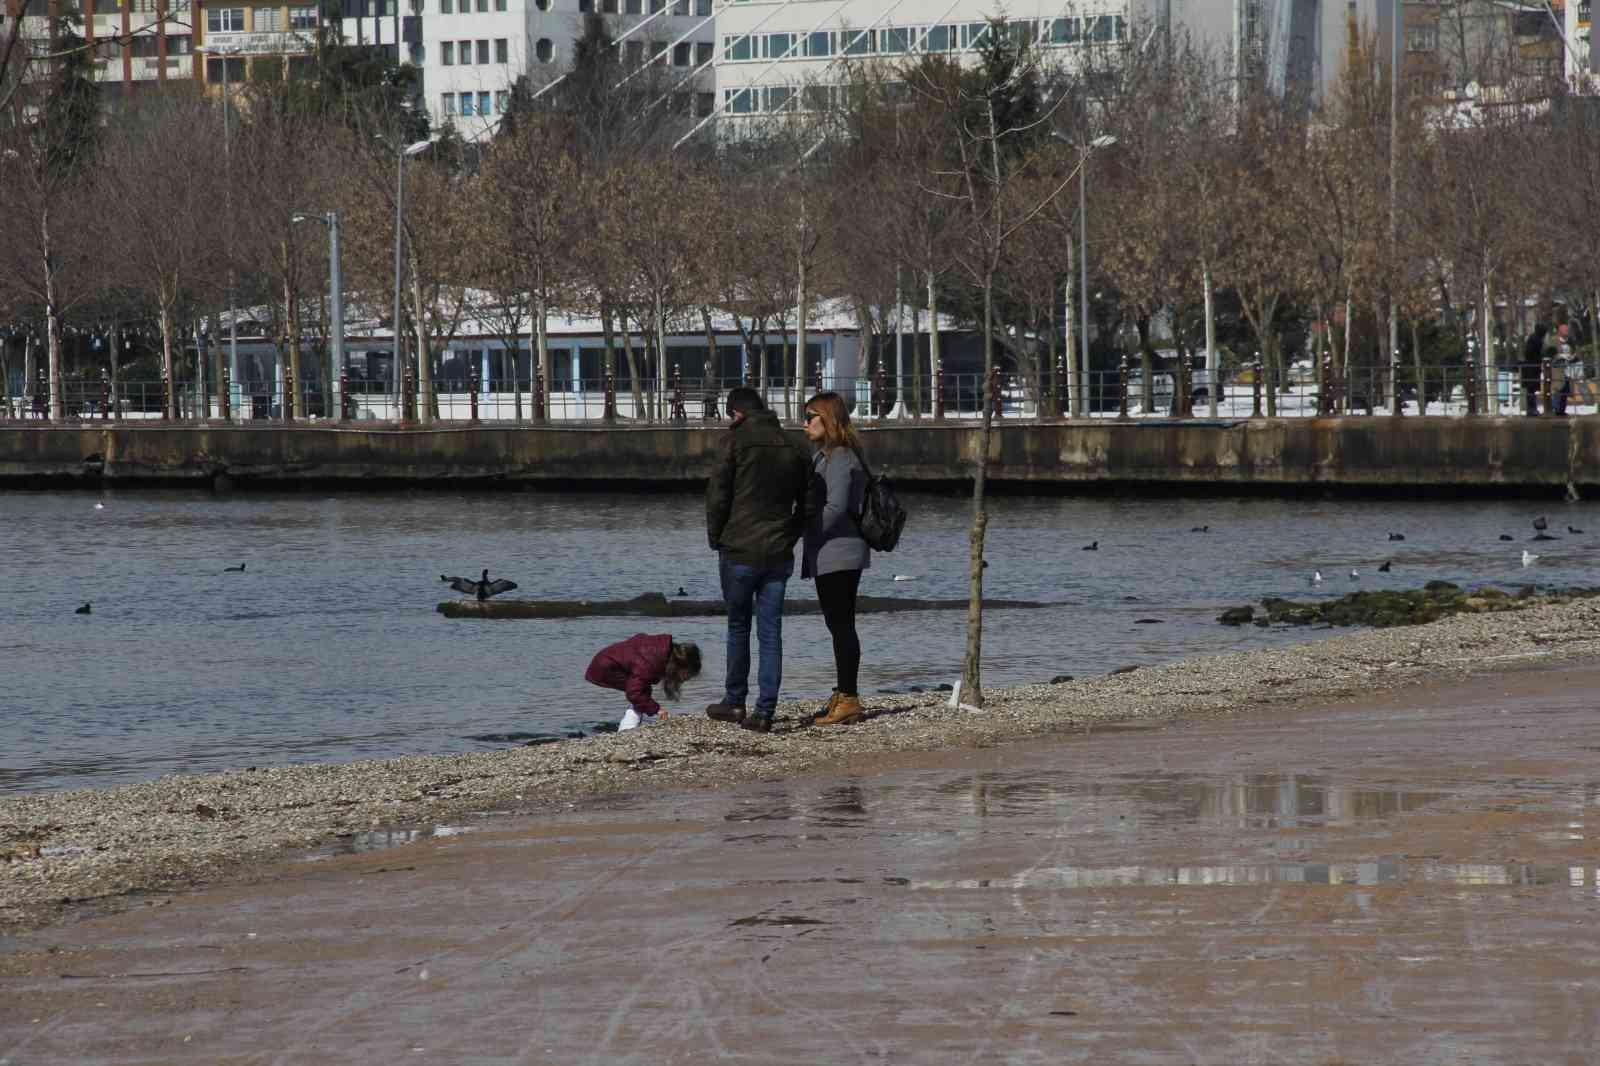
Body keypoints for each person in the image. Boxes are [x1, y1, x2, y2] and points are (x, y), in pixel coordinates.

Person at [704, 386, 813, 734]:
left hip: (738, 549)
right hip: (778, 552)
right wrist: (790, 534)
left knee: (738, 625)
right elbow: (809, 503)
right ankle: (765, 710)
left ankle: (735, 700)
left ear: (736, 413)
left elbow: (718, 495)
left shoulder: (733, 443)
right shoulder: (794, 445)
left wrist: (715, 537)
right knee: (771, 632)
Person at [801, 391, 871, 727]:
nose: (804, 423)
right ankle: (843, 692)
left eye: (810, 416)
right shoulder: (824, 456)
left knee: (842, 625)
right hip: (829, 553)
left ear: (827, 418)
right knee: (837, 624)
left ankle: (849, 697)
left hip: (840, 552)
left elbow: (836, 507)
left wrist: (803, 530)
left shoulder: (841, 456)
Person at [584, 633, 701, 731]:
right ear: (679, 666)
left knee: (643, 690)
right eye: (685, 677)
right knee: (640, 692)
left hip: (605, 660)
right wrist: (657, 710)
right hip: (604, 669)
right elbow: (634, 693)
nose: (683, 681)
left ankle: (630, 723)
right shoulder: (649, 662)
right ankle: (627, 728)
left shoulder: (661, 651)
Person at [1522, 324, 1548, 417]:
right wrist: (1539, 358)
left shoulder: (1534, 338)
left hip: (1532, 366)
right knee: (1531, 389)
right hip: (1531, 367)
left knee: (1531, 389)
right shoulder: (1536, 340)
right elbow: (1529, 353)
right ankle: (1531, 409)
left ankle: (1532, 409)